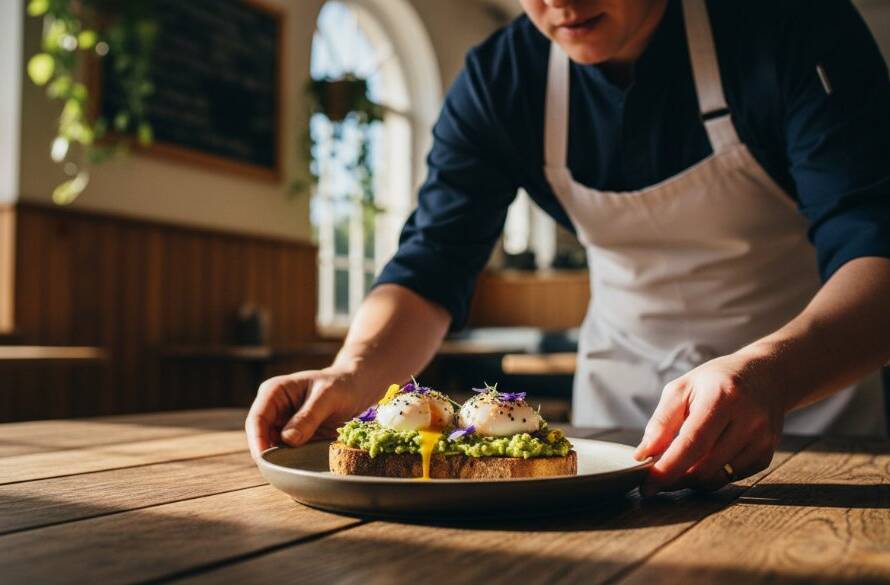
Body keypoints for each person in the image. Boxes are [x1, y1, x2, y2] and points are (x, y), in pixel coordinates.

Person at [247, 0, 890, 495]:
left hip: (811, 406)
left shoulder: (792, 23)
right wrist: (353, 373)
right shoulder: (503, 79)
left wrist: (773, 375)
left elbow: (874, 242)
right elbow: (432, 261)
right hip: (617, 417)